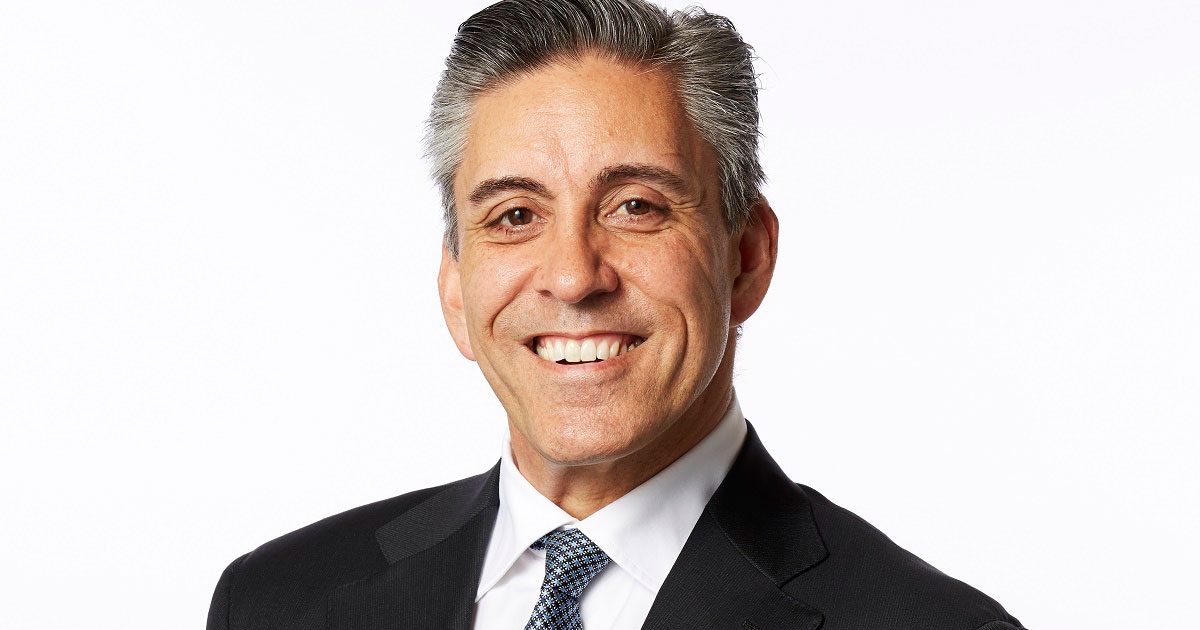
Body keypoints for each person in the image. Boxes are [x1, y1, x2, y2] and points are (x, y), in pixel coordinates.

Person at [206, 1, 1026, 628]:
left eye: (636, 206)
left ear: (745, 257)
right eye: (514, 216)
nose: (573, 276)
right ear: (455, 286)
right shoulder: (277, 602)